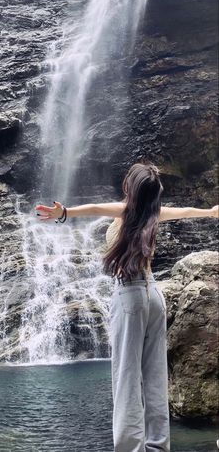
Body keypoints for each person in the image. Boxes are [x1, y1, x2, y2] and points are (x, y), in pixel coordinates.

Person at [35, 162, 219, 452]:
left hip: (129, 297)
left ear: (130, 187)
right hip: (154, 296)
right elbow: (184, 212)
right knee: (156, 376)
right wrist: (210, 212)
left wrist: (64, 213)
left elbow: (95, 207)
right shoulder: (152, 213)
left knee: (127, 378)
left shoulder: (127, 210)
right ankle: (158, 446)